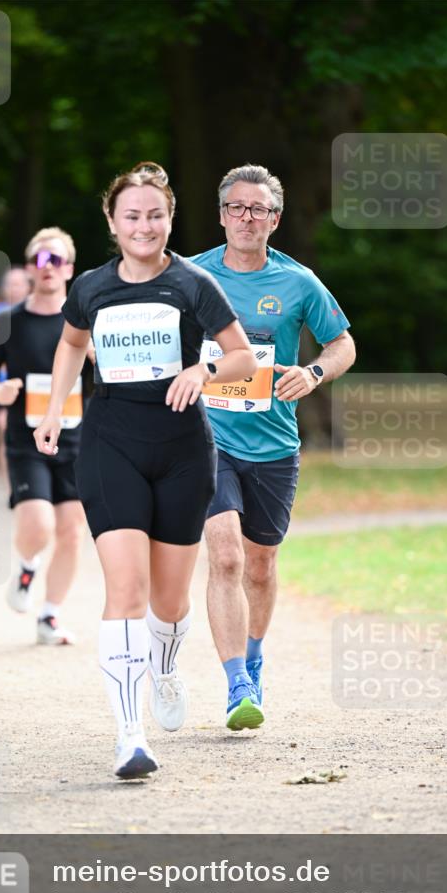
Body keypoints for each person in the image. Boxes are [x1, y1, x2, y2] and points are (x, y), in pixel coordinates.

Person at [34, 162, 256, 779]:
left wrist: (203, 371)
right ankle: (130, 736)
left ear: (169, 219)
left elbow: (240, 356)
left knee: (170, 601)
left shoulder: (193, 284)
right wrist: (56, 410)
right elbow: (72, 343)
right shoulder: (91, 287)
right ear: (112, 221)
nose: (144, 226)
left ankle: (163, 666)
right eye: (132, 215)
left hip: (184, 451)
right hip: (111, 444)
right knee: (125, 590)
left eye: (155, 215)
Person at [191, 164, 356, 730]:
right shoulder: (192, 276)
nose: (246, 217)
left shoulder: (299, 282)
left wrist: (312, 373)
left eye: (258, 209)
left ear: (275, 220)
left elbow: (342, 344)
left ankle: (255, 658)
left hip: (274, 444)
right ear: (221, 215)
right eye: (236, 207)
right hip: (206, 438)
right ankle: (237, 685)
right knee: (227, 557)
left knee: (260, 567)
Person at [0, 227, 86, 646]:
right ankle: (26, 566)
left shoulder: (84, 321)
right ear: (29, 268)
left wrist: (97, 357)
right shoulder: (8, 321)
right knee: (38, 523)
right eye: (40, 260)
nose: (48, 268)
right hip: (27, 438)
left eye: (56, 260)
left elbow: (111, 379)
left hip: (75, 439)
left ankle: (50, 616)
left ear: (69, 269)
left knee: (72, 531)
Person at [0, 267, 32, 483]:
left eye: (19, 283)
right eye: (10, 284)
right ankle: (13, 486)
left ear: (29, 286)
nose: (14, 288)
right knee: (6, 433)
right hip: (3, 386)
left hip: (36, 386)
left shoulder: (40, 310)